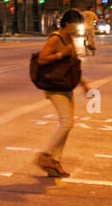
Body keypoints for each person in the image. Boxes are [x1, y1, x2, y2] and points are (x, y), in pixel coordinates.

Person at [33, 9, 91, 177]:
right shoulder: (56, 38)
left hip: (66, 86)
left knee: (68, 123)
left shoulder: (70, 39)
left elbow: (72, 65)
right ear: (67, 23)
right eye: (76, 23)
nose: (78, 26)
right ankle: (45, 155)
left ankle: (55, 161)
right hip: (54, 87)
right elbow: (42, 59)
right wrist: (60, 54)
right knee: (66, 122)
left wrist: (83, 85)